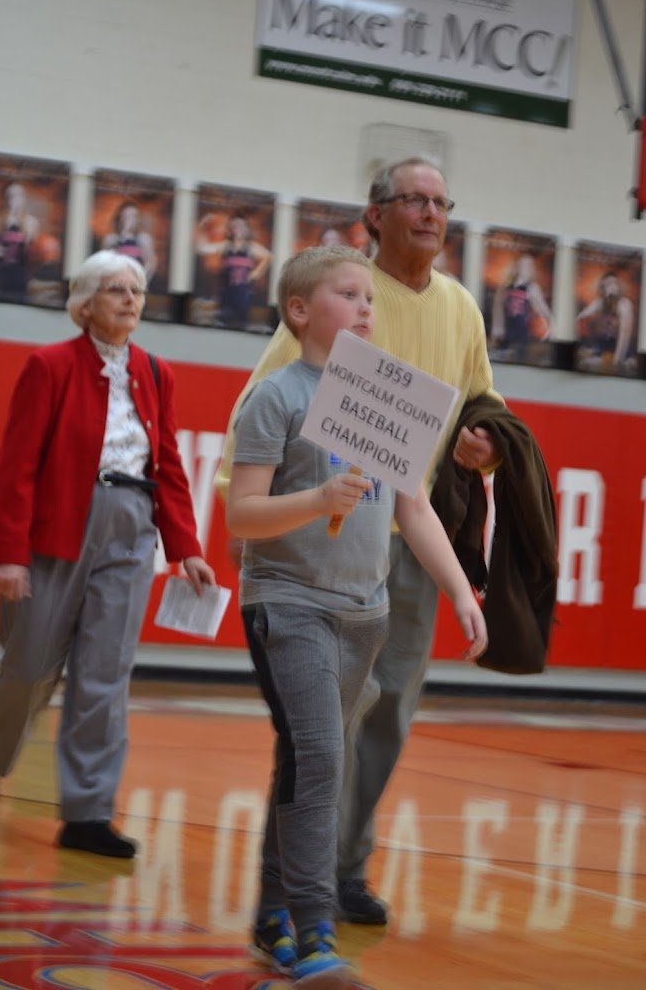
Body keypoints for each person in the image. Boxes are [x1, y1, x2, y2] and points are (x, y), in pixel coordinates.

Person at [215, 157, 504, 925]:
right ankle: (301, 908)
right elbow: (260, 424)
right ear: (376, 214)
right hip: (306, 566)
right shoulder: (312, 339)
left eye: (444, 201)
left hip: (390, 555)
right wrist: (273, 506)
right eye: (417, 199)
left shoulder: (451, 317)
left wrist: (484, 447)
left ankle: (333, 872)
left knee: (372, 723)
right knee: (321, 740)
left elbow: (434, 470)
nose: (433, 213)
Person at [0, 250, 214, 857]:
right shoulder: (49, 366)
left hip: (131, 529)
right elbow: (18, 466)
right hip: (57, 528)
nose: (131, 299)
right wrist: (11, 555)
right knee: (28, 665)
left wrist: (186, 547)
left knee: (104, 675)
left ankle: (88, 813)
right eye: (115, 289)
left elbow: (169, 468)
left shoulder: (156, 373)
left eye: (138, 290)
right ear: (84, 303)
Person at [195, 213, 271, 330]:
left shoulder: (251, 247)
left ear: (246, 229)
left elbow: (268, 256)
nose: (238, 229)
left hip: (242, 297)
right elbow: (202, 248)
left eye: (241, 226)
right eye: (235, 226)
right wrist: (202, 226)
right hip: (225, 296)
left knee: (241, 327)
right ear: (230, 229)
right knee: (222, 327)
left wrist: (256, 273)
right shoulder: (226, 246)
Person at [490, 253, 553, 363]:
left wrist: (551, 327)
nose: (525, 268)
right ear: (517, 266)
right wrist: (497, 326)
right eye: (523, 264)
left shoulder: (532, 287)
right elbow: (498, 306)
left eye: (528, 265)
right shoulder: (506, 285)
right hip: (506, 332)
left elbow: (543, 309)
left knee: (518, 361)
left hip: (521, 334)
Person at [0, 181, 40, 301]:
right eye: (11, 196)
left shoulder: (31, 222)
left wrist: (20, 222)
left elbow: (32, 252)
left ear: (24, 199)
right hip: (0, 275)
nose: (15, 200)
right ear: (5, 199)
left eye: (19, 195)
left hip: (21, 275)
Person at [576, 270, 636, 372]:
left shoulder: (624, 304)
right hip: (603, 346)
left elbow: (625, 334)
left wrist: (617, 362)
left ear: (618, 286)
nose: (611, 287)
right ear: (603, 288)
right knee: (584, 363)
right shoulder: (601, 302)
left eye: (614, 283)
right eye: (607, 284)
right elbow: (582, 316)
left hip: (622, 349)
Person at [102, 201, 158, 287]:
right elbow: (104, 262)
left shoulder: (143, 239)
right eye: (126, 216)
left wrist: (140, 280)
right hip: (116, 282)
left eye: (134, 216)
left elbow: (150, 263)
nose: (131, 220)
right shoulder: (111, 239)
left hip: (135, 283)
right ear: (120, 218)